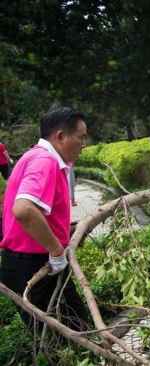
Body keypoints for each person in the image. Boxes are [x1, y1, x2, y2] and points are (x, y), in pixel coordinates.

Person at [0, 107, 90, 333]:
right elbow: (24, 210)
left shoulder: (41, 158)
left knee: (76, 325)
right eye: (81, 137)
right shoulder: (45, 161)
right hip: (33, 264)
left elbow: (39, 213)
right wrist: (57, 251)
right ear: (60, 137)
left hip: (38, 260)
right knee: (53, 337)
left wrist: (65, 230)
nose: (84, 145)